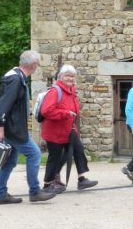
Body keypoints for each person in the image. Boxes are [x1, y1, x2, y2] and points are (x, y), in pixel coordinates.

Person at [0, 50, 56, 204]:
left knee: (9, 161)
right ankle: (35, 191)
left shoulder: (16, 77)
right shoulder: (16, 80)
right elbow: (3, 104)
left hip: (11, 127)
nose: (37, 66)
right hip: (13, 128)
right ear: (33, 65)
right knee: (34, 154)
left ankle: (1, 194)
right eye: (37, 64)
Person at [40, 64, 97, 192]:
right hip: (54, 132)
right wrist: (65, 113)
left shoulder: (72, 92)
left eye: (72, 76)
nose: (70, 79)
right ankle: (47, 184)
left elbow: (74, 111)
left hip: (69, 130)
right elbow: (46, 111)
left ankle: (82, 180)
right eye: (67, 76)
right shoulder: (55, 91)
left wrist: (73, 125)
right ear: (61, 77)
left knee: (78, 150)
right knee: (54, 157)